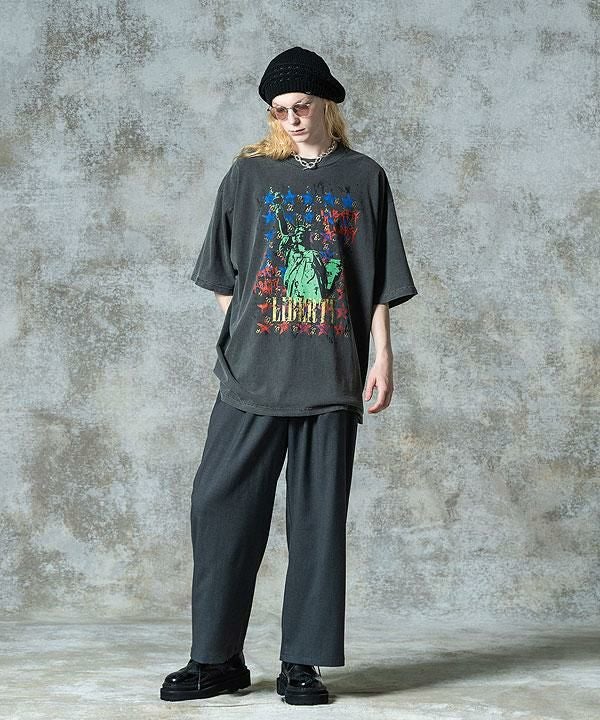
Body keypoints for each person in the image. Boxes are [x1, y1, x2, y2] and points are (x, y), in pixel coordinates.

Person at [160, 46, 418, 706]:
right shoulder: (249, 175)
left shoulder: (363, 177)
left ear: (326, 106)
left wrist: (382, 357)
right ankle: (215, 659)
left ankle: (302, 662)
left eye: (302, 106)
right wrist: (248, 327)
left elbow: (378, 280)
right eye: (280, 111)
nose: (293, 119)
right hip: (252, 372)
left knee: (317, 520)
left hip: (330, 373)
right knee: (219, 504)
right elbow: (221, 271)